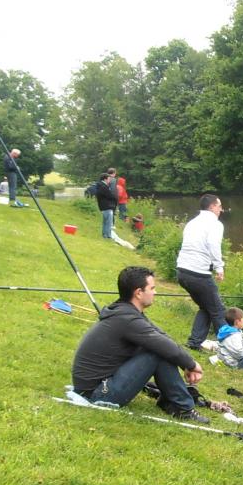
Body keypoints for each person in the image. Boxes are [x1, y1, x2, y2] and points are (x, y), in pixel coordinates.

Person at [70, 265, 207, 423]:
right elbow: (163, 346)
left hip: (100, 384)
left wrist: (186, 364)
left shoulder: (126, 312)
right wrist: (192, 365)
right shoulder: (128, 319)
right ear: (139, 292)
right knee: (157, 352)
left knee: (160, 347)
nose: (155, 292)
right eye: (152, 288)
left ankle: (171, 401)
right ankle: (183, 408)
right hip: (97, 393)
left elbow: (161, 336)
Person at [176, 193, 227, 350]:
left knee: (206, 307)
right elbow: (213, 245)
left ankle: (195, 342)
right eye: (219, 206)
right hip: (198, 274)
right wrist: (219, 267)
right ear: (212, 207)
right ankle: (232, 349)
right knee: (218, 311)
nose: (221, 210)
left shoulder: (192, 222)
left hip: (182, 272)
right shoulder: (215, 224)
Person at [95, 169, 119, 239]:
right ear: (105, 179)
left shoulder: (101, 185)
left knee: (105, 221)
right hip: (107, 206)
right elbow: (110, 195)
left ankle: (105, 235)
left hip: (104, 206)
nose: (109, 180)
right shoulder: (103, 186)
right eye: (108, 179)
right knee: (108, 222)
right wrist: (115, 198)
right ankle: (108, 235)